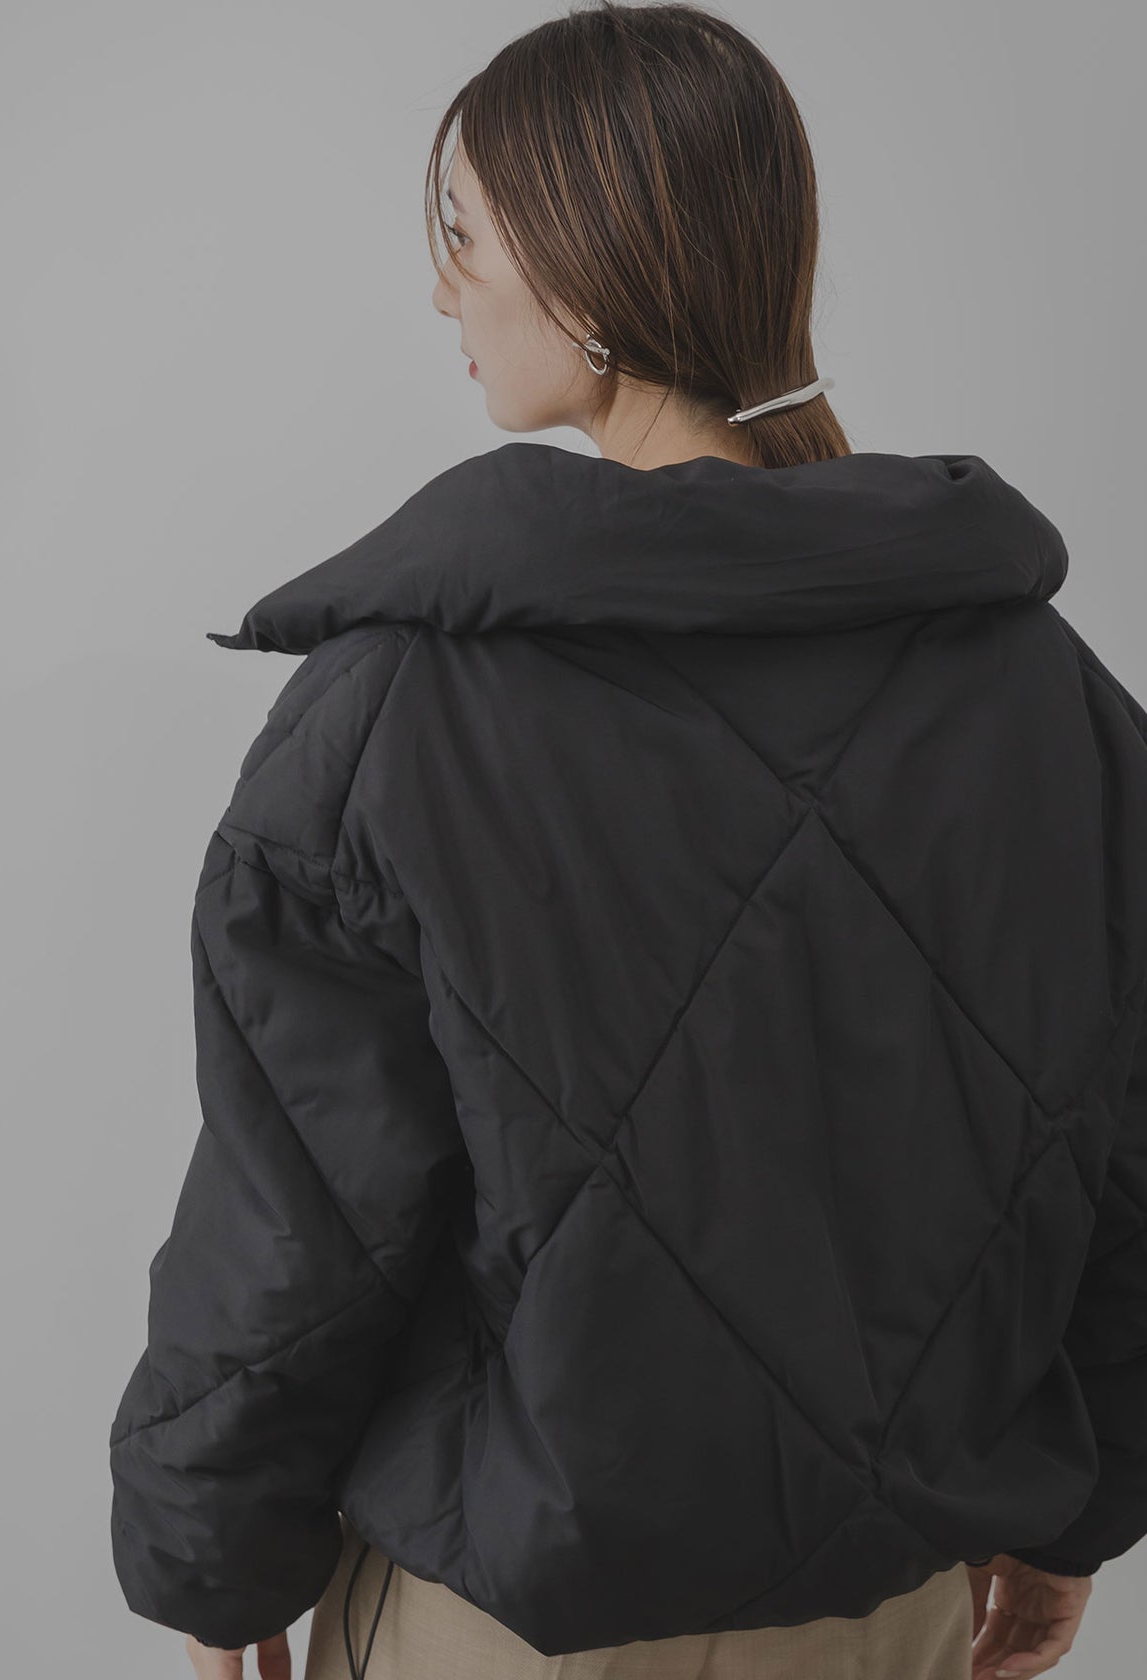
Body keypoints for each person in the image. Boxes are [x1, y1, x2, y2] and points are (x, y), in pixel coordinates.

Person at [107, 5, 1146, 1677]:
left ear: (591, 272)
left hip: (512, 1620)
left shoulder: (396, 710)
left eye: (463, 236)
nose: (441, 289)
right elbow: (1123, 1155)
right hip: (895, 1621)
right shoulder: (1049, 694)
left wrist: (213, 1565)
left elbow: (303, 1215)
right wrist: (1081, 1514)